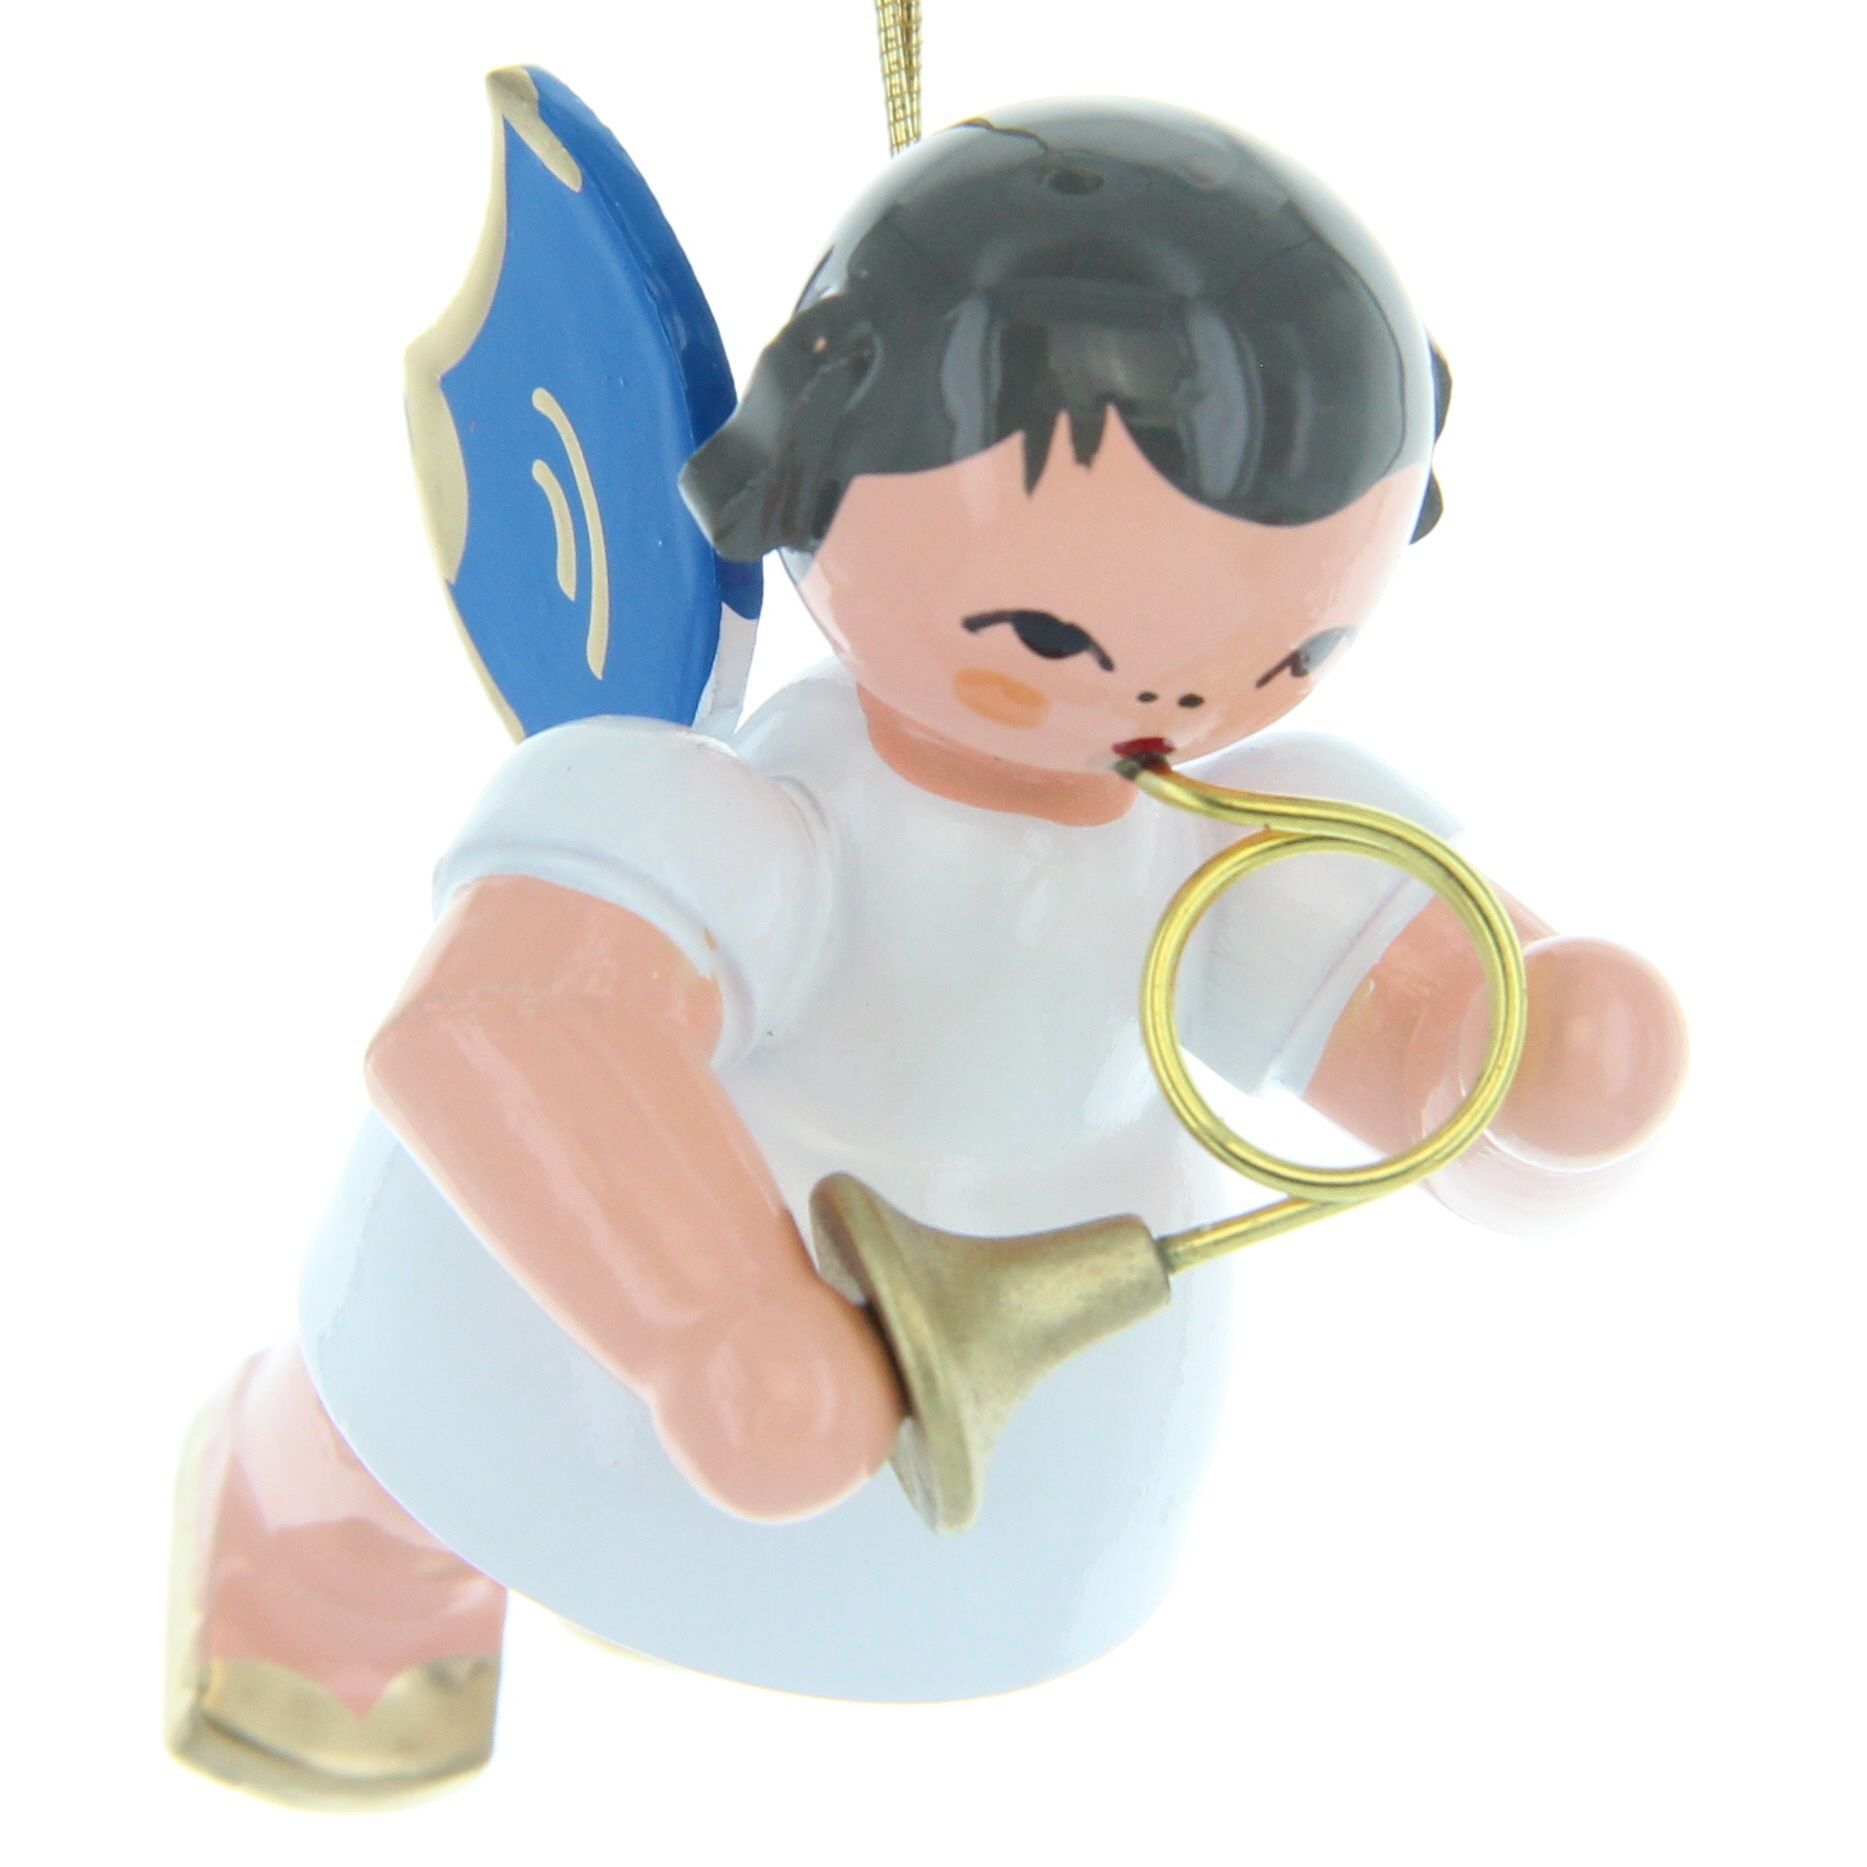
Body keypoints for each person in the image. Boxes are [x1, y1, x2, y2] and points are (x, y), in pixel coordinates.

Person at [168, 99, 1687, 1805]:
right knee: (410, 1458)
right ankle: (320, 1563)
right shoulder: (742, 827)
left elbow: (1432, 1083)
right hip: (565, 1341)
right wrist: (705, 1314)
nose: (1162, 695)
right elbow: (511, 1032)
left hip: (1006, 1472)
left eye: (1283, 650)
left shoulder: (1241, 849)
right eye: (1045, 632)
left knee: (830, 1649)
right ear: (813, 461)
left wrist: (1531, 1072)